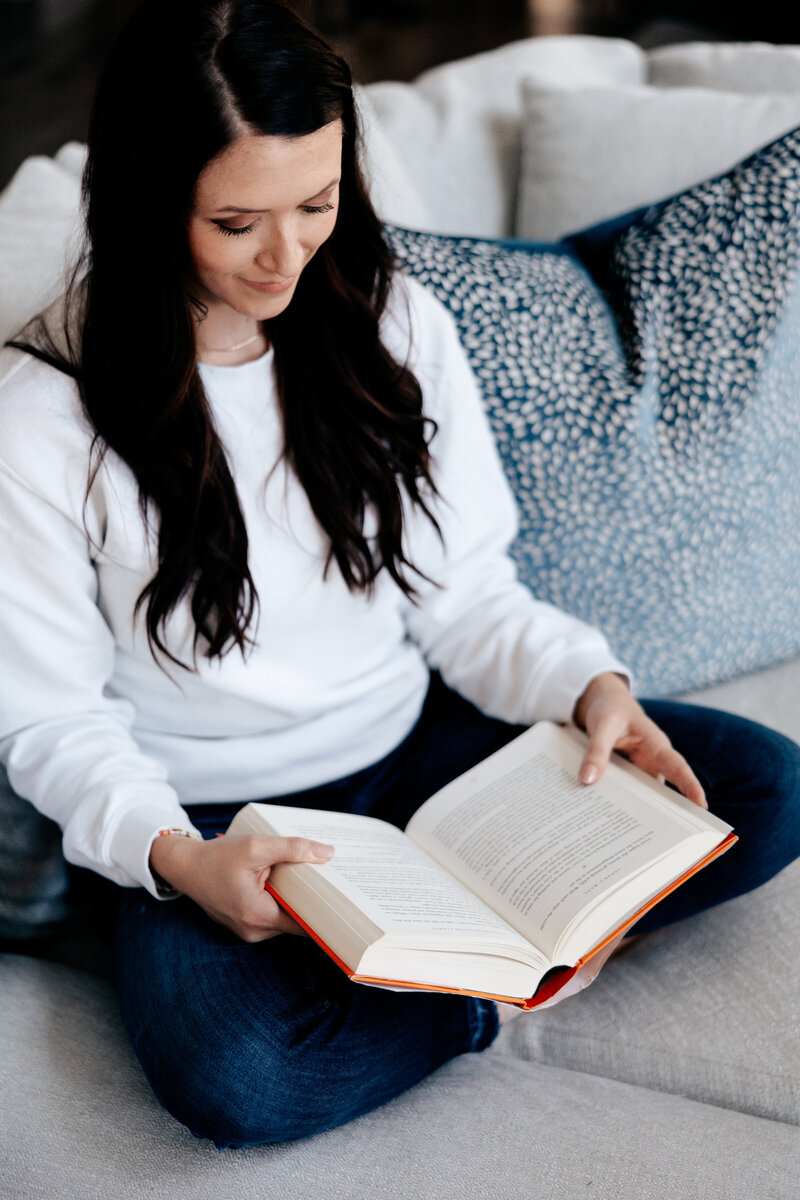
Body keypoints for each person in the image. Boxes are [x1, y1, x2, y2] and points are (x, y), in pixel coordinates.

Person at [0, 0, 798, 1150]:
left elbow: (463, 592)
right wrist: (178, 859)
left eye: (316, 205)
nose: (286, 257)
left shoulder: (388, 322)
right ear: (145, 205)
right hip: (220, 817)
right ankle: (500, 988)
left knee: (756, 787)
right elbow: (51, 723)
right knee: (242, 1082)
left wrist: (586, 688)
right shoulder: (41, 420)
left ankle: (485, 952)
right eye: (236, 222)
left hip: (424, 755)